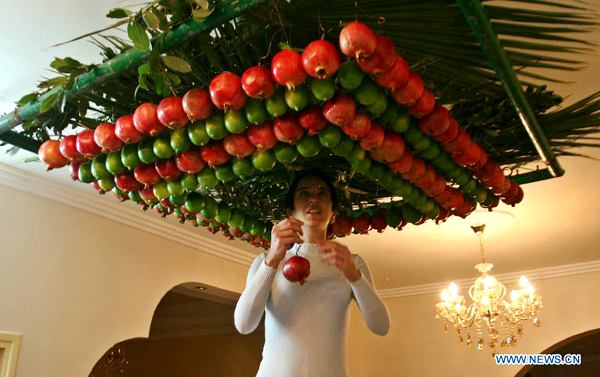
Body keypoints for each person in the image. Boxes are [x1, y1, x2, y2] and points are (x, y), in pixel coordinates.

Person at [234, 169, 391, 377]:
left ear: (333, 213)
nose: (314, 199)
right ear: (290, 212)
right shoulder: (265, 261)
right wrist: (272, 260)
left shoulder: (350, 262)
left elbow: (381, 326)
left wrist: (354, 277)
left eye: (322, 193)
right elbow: (244, 325)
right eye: (304, 193)